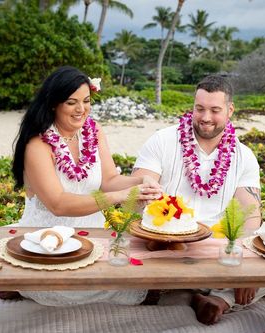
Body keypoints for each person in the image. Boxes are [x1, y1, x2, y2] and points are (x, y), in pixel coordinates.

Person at [132, 74, 265, 325]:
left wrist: (246, 269)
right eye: (199, 108)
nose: (206, 117)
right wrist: (148, 197)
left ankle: (215, 299)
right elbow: (138, 191)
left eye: (215, 110)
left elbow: (250, 217)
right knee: (139, 274)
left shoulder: (244, 156)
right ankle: (227, 295)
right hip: (166, 243)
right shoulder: (163, 140)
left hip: (216, 247)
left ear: (230, 110)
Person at [10, 66, 161, 306]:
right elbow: (58, 204)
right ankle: (20, 286)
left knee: (142, 276)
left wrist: (141, 180)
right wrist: (120, 196)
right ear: (53, 104)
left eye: (86, 101)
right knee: (69, 293)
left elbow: (109, 180)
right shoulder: (38, 144)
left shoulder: (94, 131)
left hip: (93, 238)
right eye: (71, 102)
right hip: (48, 243)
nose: (81, 109)